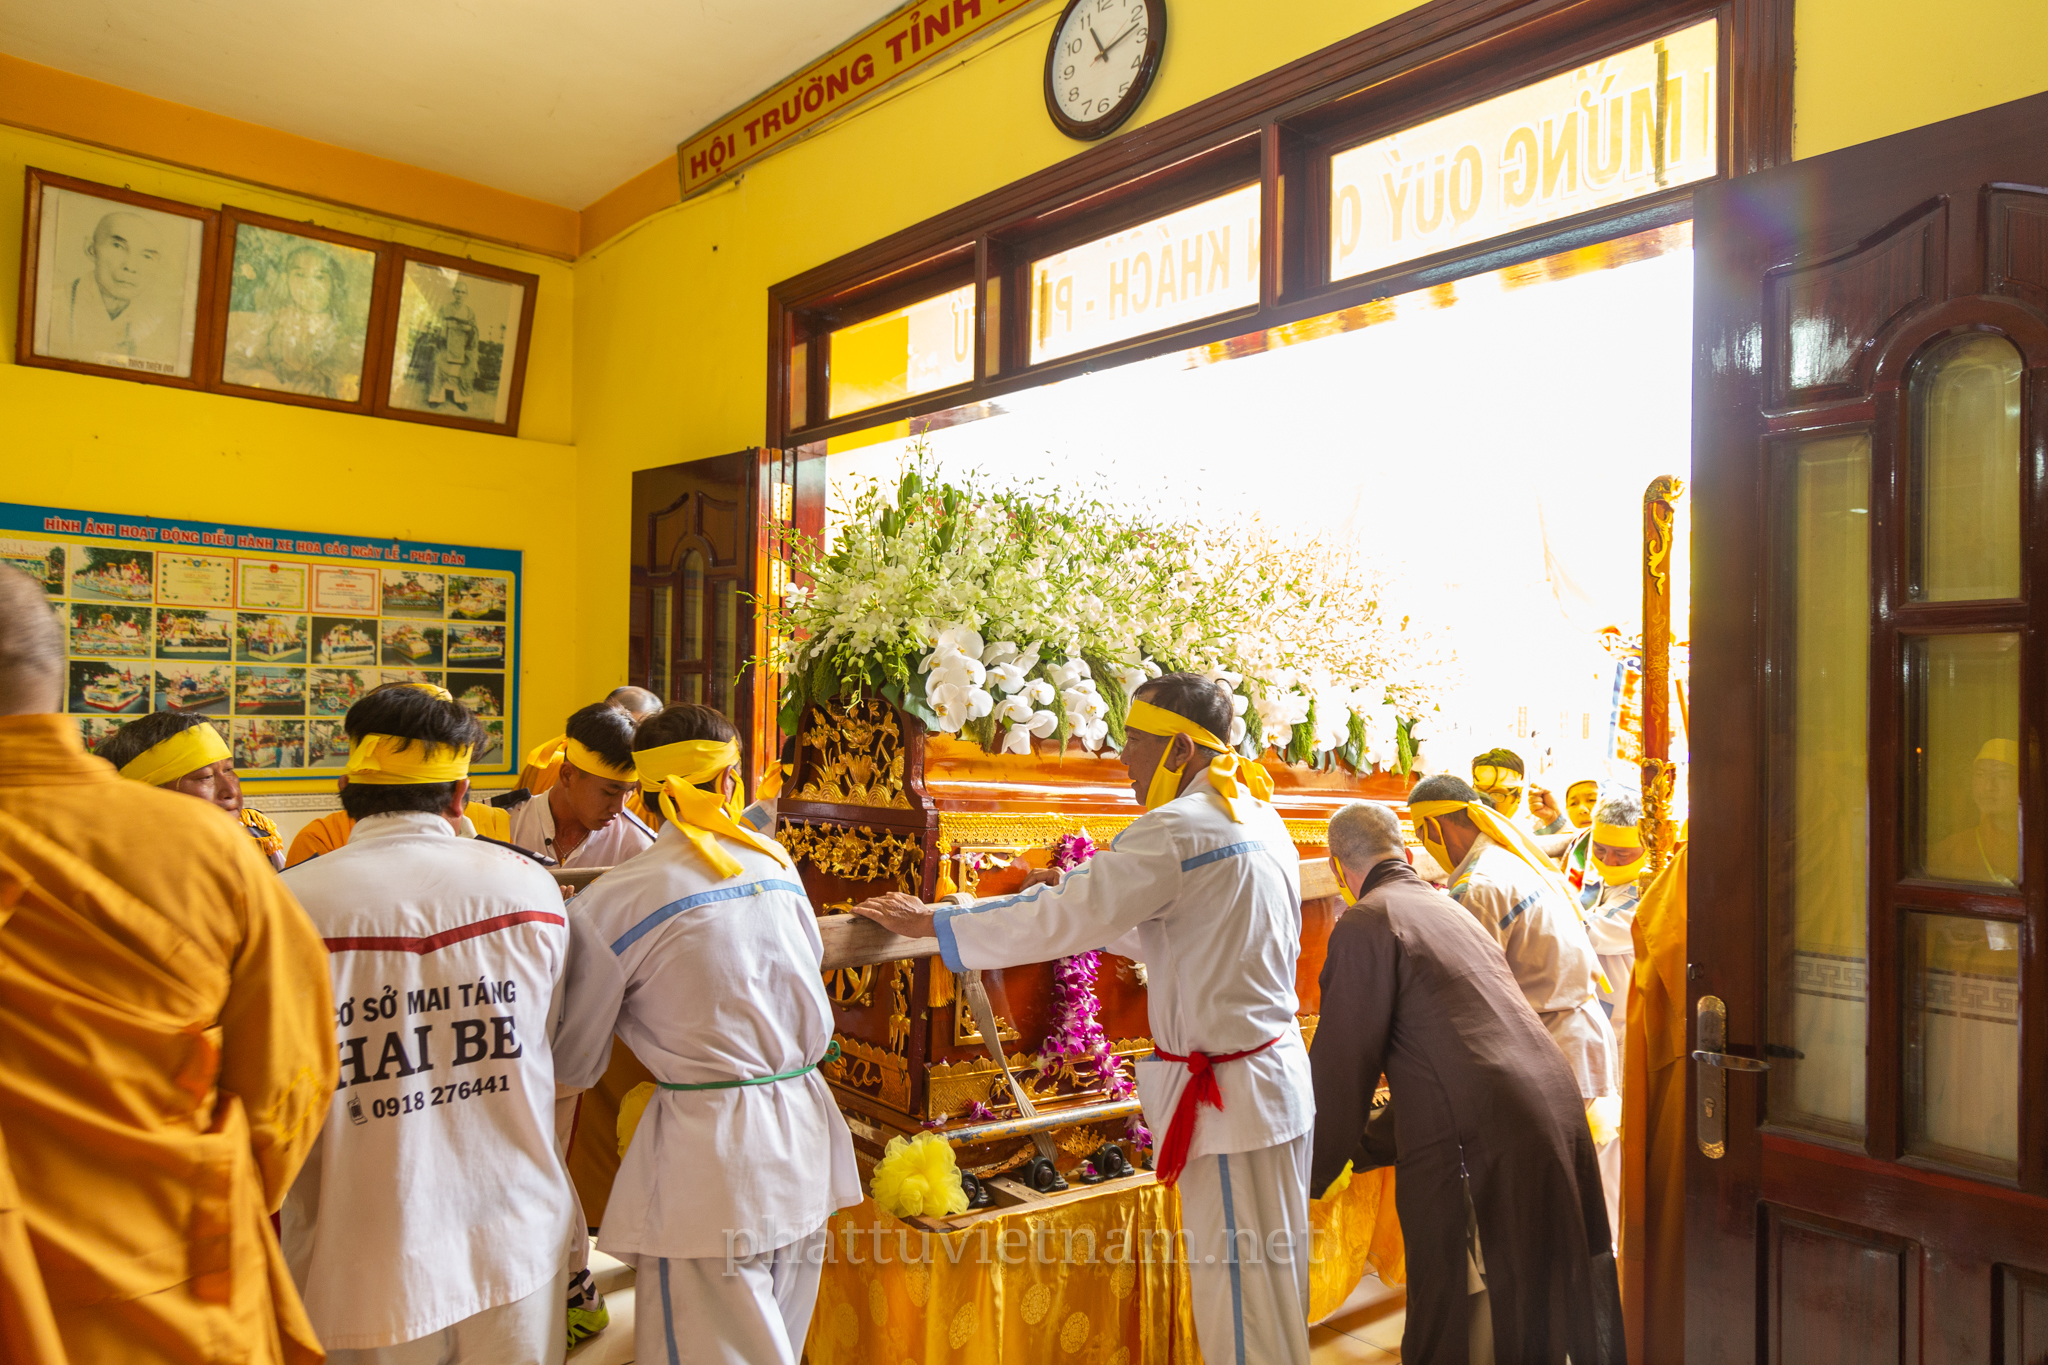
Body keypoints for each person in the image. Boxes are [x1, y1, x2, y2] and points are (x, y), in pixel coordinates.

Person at [851, 672, 1316, 1365]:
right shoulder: (1254, 813)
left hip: (1232, 1100)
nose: (1122, 757)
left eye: (1136, 740)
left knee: (1241, 1311)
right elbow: (1178, 928)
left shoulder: (1177, 828)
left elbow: (1068, 917)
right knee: (1274, 1291)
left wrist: (939, 921)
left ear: (1181, 749)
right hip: (1273, 1085)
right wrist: (1065, 892)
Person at [0, 563, 336, 1363]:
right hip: (174, 1288)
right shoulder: (204, 849)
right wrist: (201, 1198)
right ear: (56, 674)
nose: (227, 790)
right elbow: (291, 1081)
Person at [281, 682, 610, 1365]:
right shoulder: (530, 889)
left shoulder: (287, 905)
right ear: (461, 796)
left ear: (346, 789)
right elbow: (559, 1058)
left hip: (363, 1258)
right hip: (514, 1242)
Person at [557, 703, 858, 1365]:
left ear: (644, 790)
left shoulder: (614, 900)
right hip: (804, 1131)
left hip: (713, 1159)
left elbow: (573, 1059)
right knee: (780, 1339)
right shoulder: (776, 863)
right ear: (728, 781)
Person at [1313, 801, 1624, 1364]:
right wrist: (1364, 1145)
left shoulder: (1367, 919)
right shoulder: (1445, 905)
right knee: (1532, 1296)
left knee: (1465, 1303)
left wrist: (1314, 1162)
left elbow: (1343, 1063)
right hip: (1548, 1101)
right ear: (1408, 854)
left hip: (1481, 1129)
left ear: (1338, 869)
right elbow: (1446, 1048)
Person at [1405, 773, 1623, 1249]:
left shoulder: (1478, 886)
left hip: (1553, 1044)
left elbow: (1470, 995)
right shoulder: (1508, 859)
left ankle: (1573, 1291)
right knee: (1590, 1196)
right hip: (1577, 1033)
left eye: (1422, 834)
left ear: (1433, 829)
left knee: (1557, 1206)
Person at [99, 709, 286, 868]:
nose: (231, 791)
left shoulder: (257, 838)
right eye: (205, 777)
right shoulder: (128, 866)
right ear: (151, 794)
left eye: (228, 770)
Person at [505, 703, 655, 869]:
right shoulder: (504, 826)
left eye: (629, 792)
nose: (619, 808)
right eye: (610, 792)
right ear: (567, 775)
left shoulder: (637, 848)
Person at [222, 243, 364, 399]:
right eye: (300, 275)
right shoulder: (272, 323)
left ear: (333, 283)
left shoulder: (345, 336)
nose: (310, 285)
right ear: (286, 279)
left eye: (319, 277)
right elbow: (236, 364)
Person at [46, 209, 179, 368]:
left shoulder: (155, 326)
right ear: (91, 249)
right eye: (118, 246)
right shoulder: (50, 306)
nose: (130, 266)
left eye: (146, 256)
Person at [1580, 794, 1648, 1041]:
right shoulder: (1592, 873)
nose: (1608, 861)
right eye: (1600, 849)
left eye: (1622, 853)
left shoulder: (1647, 893)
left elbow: (1588, 933)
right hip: (1594, 1011)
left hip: (1623, 1025)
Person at [1925, 738, 2019, 884]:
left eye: (2002, 776)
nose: (1988, 786)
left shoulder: (2037, 847)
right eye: (1980, 775)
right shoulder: (1948, 850)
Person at [1470, 747, 1528, 823]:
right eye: (1480, 793)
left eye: (1496, 794)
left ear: (1518, 794)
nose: (1485, 803)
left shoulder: (1528, 829)